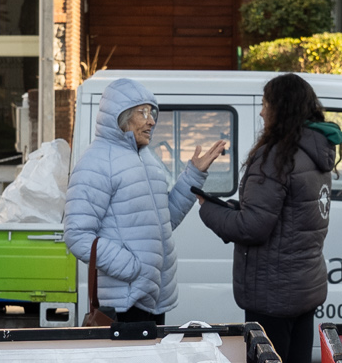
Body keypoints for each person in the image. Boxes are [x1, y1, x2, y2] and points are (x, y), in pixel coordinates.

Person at [198, 73, 339, 363]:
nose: (261, 111)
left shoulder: (275, 156)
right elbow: (283, 218)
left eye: (265, 103)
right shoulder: (316, 152)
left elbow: (253, 227)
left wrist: (207, 209)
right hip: (302, 286)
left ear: (281, 107)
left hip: (271, 292)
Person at [62, 76, 225, 328]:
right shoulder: (96, 162)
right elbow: (77, 235)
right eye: (143, 113)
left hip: (154, 296)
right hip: (124, 302)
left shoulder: (147, 159)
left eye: (152, 113)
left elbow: (165, 220)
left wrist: (193, 175)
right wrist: (133, 269)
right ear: (121, 116)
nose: (152, 121)